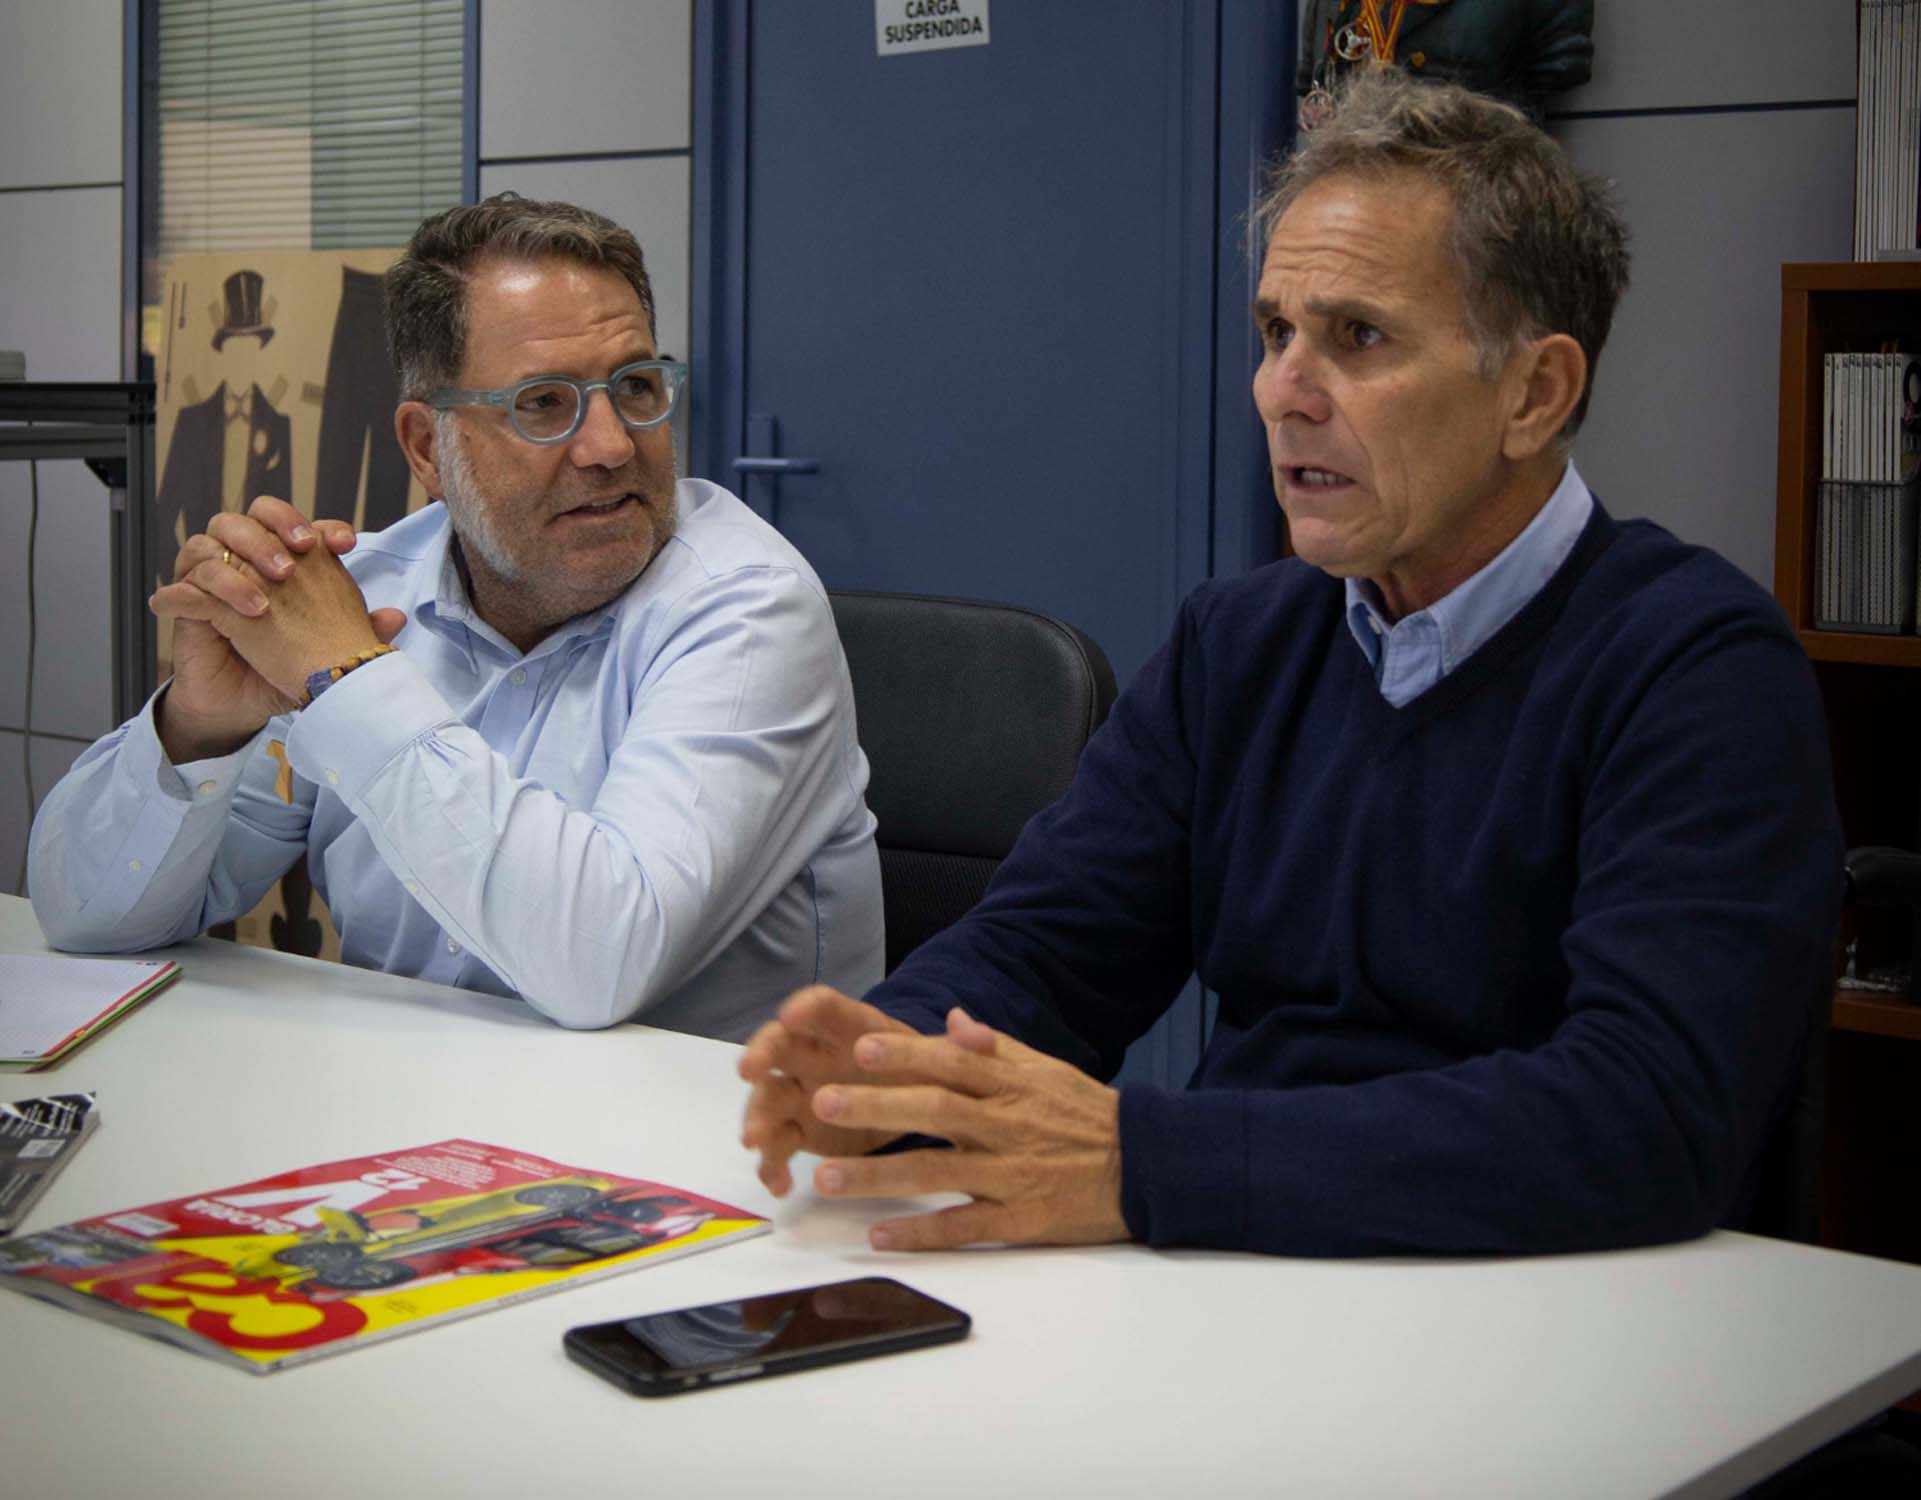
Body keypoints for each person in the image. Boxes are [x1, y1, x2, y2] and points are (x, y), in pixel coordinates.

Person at [738, 72, 1844, 1256]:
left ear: (1534, 392)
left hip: (1548, 1322)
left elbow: (1643, 1120)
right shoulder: (1242, 643)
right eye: (1276, 332)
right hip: (1244, 1277)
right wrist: (884, 1072)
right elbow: (1047, 951)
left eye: (1356, 338)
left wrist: (1147, 1164)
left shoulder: (1694, 668)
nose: (1279, 392)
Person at [30, 194, 883, 1040]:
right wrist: (197, 731)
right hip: (410, 1122)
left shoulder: (747, 604)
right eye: (542, 404)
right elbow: (84, 918)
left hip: (707, 1147)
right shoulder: (364, 592)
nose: (613, 445)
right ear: (424, 447)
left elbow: (601, 962)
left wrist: (348, 680)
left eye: (635, 386)